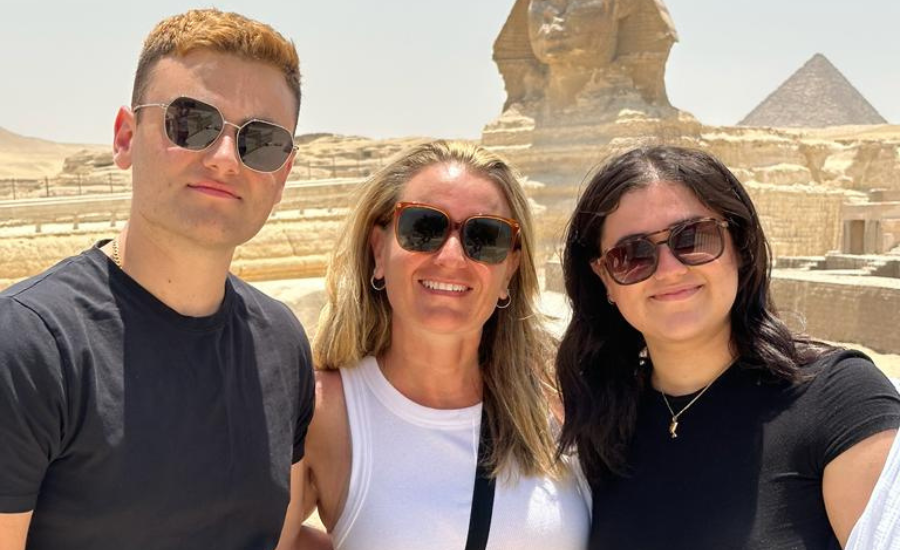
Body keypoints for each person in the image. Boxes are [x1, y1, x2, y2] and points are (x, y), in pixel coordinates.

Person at [0, 9, 316, 550]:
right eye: (192, 122)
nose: (223, 159)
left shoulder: (281, 344)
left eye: (260, 142)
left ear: (283, 174)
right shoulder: (28, 347)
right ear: (125, 138)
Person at [556, 145, 900, 549]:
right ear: (604, 279)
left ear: (739, 245)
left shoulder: (840, 402)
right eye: (631, 255)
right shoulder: (594, 420)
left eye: (694, 238)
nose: (670, 270)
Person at [276, 140, 590, 549]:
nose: (451, 258)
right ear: (377, 251)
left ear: (510, 270)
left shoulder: (563, 398)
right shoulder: (323, 412)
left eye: (485, 236)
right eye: (423, 228)